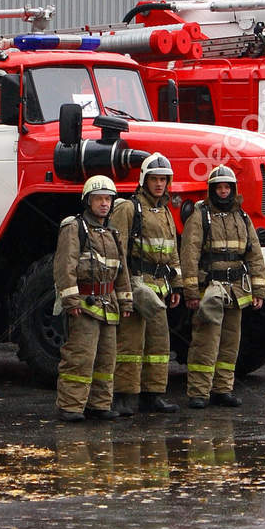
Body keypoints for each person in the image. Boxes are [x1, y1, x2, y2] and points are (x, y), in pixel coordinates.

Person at [178, 165, 265, 409]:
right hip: (210, 290)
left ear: (234, 189)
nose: (224, 191)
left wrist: (259, 291)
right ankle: (199, 392)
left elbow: (254, 255)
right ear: (212, 189)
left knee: (230, 344)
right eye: (219, 187)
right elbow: (189, 256)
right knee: (205, 343)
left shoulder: (243, 217)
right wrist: (191, 293)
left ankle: (222, 390)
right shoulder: (200, 217)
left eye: (228, 187)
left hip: (236, 291)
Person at [53, 175, 133, 422]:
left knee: (106, 359)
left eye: (108, 199)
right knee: (80, 357)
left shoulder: (111, 232)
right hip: (85, 305)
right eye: (99, 198)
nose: (104, 204)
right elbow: (64, 266)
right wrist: (71, 300)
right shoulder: (74, 228)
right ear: (88, 201)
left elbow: (121, 270)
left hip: (108, 304)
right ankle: (71, 406)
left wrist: (126, 300)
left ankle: (99, 405)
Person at [109, 154, 180, 415]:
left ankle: (153, 394)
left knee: (158, 344)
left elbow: (173, 252)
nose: (159, 185)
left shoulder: (165, 212)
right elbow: (118, 252)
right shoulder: (128, 209)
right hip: (136, 283)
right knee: (130, 343)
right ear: (144, 180)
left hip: (161, 287)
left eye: (163, 180)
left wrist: (178, 285)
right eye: (154, 180)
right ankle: (125, 397)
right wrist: (124, 289)